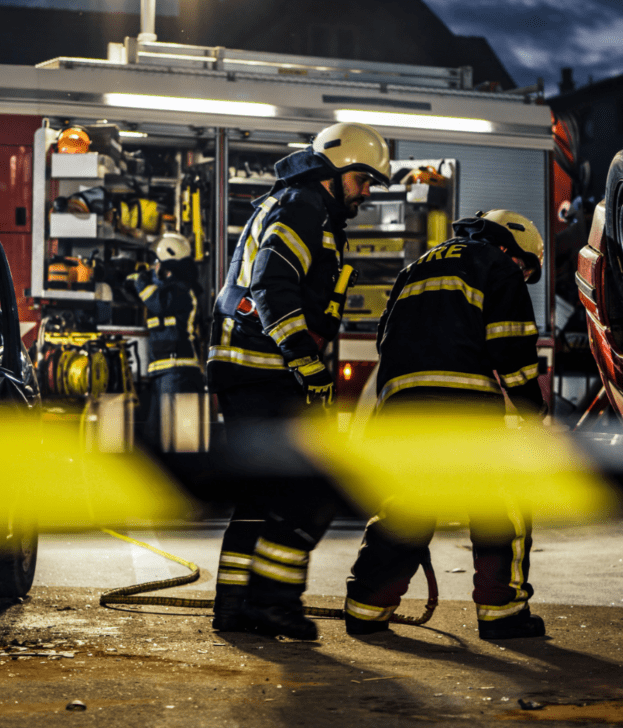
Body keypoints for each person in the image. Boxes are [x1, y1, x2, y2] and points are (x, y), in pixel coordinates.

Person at [206, 122, 391, 640]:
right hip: (263, 369)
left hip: (246, 367)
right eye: (364, 181)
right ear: (337, 171)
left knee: (262, 493)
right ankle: (273, 603)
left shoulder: (305, 206)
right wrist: (307, 365)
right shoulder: (303, 207)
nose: (368, 193)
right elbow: (271, 285)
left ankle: (235, 608)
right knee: (310, 489)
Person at [345, 209, 548, 640]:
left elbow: (385, 338)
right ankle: (502, 613)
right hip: (462, 407)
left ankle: (365, 608)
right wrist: (532, 411)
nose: (523, 274)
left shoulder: (414, 268)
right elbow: (511, 347)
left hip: (401, 407)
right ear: (514, 248)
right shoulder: (497, 265)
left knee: (408, 507)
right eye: (526, 267)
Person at [129, 231, 205, 449]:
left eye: (156, 262)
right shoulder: (170, 289)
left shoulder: (182, 290)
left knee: (183, 443)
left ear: (167, 262)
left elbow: (158, 302)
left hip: (180, 373)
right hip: (166, 373)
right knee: (157, 439)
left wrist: (141, 281)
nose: (154, 267)